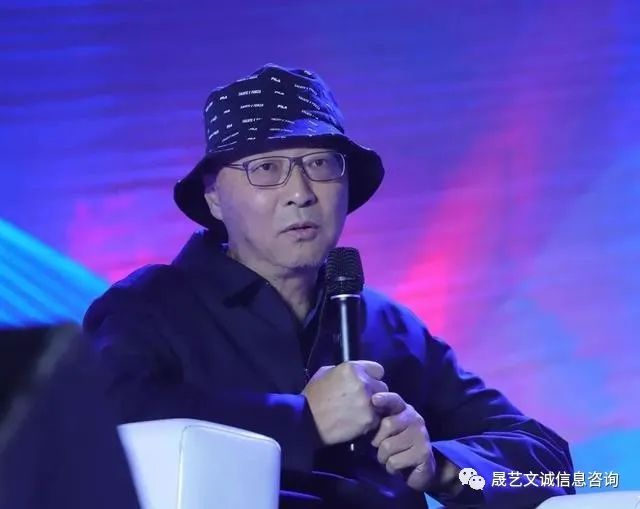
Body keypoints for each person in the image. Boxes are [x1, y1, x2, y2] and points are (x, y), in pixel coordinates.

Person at [83, 63, 575, 508]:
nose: (300, 193)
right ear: (213, 197)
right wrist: (301, 421)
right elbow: (98, 435)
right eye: (266, 168)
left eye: (320, 164)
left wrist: (444, 468)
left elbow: (548, 462)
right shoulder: (146, 309)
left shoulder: (387, 326)